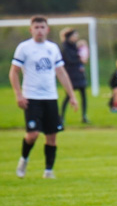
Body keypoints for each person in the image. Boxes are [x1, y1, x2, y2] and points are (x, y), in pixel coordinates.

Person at [10, 16, 78, 179]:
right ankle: (24, 159)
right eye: (36, 27)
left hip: (50, 97)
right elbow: (14, 72)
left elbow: (61, 72)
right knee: (32, 134)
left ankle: (48, 171)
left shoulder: (52, 48)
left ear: (47, 30)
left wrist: (72, 96)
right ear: (31, 30)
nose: (39, 30)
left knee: (51, 136)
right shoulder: (24, 48)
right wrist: (18, 94)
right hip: (31, 97)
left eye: (42, 27)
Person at [59, 28, 89, 124]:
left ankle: (84, 116)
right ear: (69, 36)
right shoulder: (65, 48)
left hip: (79, 74)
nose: (76, 37)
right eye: (74, 35)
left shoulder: (75, 47)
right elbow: (69, 60)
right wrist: (80, 59)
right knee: (69, 96)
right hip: (70, 75)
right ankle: (62, 116)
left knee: (83, 95)